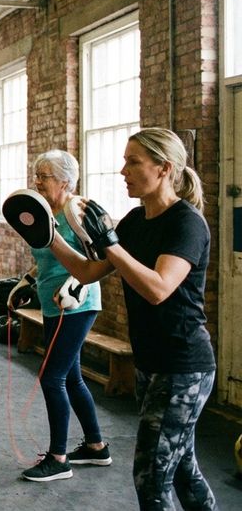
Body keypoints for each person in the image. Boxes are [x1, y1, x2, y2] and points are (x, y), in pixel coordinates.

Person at [46, 129, 216, 509]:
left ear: (164, 168)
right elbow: (90, 272)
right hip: (150, 362)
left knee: (152, 478)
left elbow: (158, 288)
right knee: (183, 466)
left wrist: (112, 244)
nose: (123, 170)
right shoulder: (135, 219)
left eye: (133, 161)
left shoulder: (185, 223)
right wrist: (48, 237)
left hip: (183, 365)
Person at [6, 150, 110, 482]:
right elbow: (48, 257)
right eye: (35, 174)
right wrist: (27, 282)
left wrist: (74, 284)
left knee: (52, 377)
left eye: (44, 176)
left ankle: (58, 458)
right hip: (53, 305)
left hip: (77, 305)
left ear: (65, 181)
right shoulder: (46, 214)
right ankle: (96, 447)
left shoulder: (76, 212)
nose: (36, 181)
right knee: (72, 377)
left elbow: (99, 258)